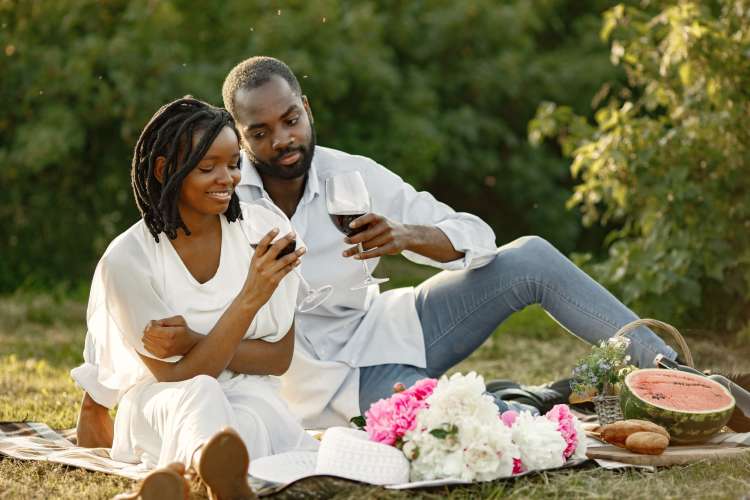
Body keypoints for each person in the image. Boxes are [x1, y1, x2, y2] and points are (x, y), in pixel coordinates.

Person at [70, 57, 699, 438]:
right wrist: (106, 390)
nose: (283, 139)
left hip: (385, 326)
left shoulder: (353, 175)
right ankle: (541, 396)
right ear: (238, 136)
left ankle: (678, 378)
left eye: (292, 119)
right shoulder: (223, 196)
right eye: (259, 132)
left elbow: (474, 234)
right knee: (470, 420)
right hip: (321, 380)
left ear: (306, 109)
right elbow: (149, 272)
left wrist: (407, 236)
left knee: (530, 254)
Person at [75, 96, 318, 498]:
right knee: (204, 393)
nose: (227, 179)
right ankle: (211, 476)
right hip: (161, 403)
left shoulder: (265, 231)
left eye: (234, 164)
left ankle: (182, 480)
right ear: (164, 169)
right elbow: (178, 376)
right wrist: (248, 300)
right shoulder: (129, 260)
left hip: (245, 390)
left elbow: (278, 358)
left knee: (256, 416)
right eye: (208, 168)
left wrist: (193, 342)